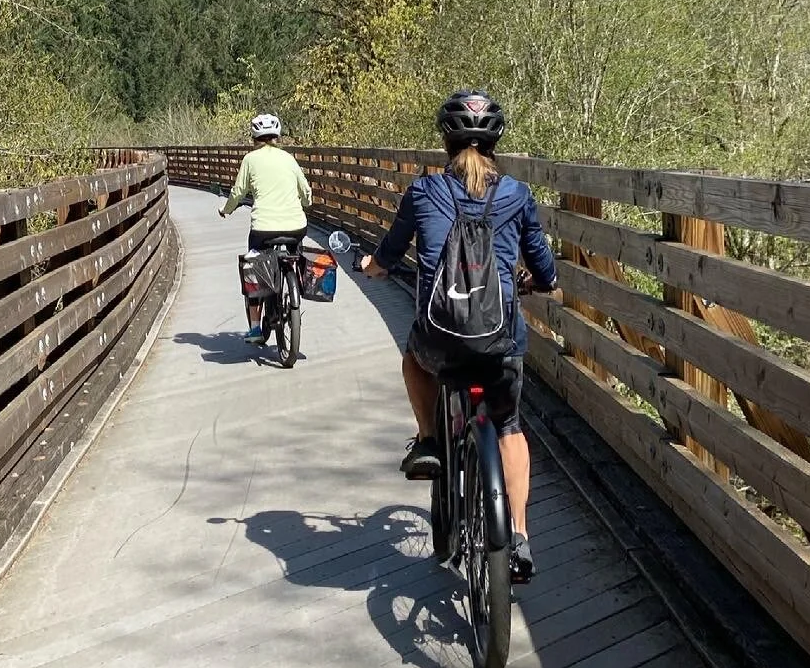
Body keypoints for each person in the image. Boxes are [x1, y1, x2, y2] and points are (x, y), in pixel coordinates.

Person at [360, 90, 557, 583]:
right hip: (499, 341)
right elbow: (544, 267)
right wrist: (543, 282)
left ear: (445, 139)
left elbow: (390, 250)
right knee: (509, 425)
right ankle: (520, 537)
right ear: (496, 141)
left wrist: (375, 267)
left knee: (413, 359)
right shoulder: (515, 194)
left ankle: (428, 439)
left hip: (441, 338)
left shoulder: (425, 191)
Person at [219, 113, 313, 343]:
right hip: (296, 226)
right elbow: (305, 191)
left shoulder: (250, 160)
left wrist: (227, 209)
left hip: (263, 229)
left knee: (253, 269)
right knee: (294, 252)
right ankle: (295, 287)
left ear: (254, 137)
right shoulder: (289, 159)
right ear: (278, 136)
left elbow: (238, 192)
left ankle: (254, 328)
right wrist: (306, 203)